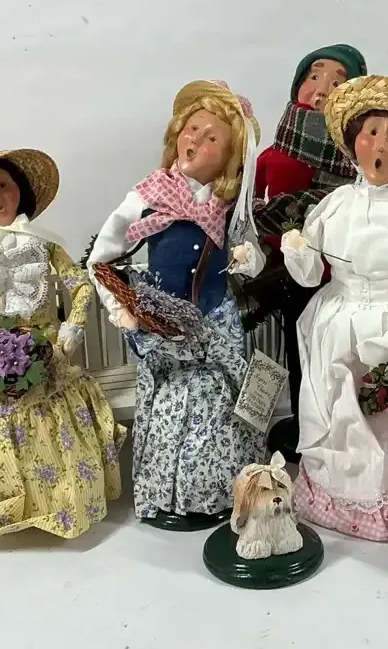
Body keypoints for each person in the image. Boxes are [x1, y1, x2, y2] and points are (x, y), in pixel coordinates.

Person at [86, 80, 268, 531]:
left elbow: (253, 256)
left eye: (212, 138)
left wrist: (247, 258)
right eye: (192, 129)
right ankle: (169, 498)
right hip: (164, 326)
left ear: (230, 156)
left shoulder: (230, 205)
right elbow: (101, 259)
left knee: (217, 411)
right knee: (169, 414)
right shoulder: (147, 195)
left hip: (215, 323)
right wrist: (121, 307)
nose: (196, 141)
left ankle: (216, 496)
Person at [279, 74, 388, 541]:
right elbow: (308, 274)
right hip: (334, 321)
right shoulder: (334, 205)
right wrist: (297, 251)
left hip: (387, 330)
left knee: (377, 418)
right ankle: (329, 498)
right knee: (333, 415)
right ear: (354, 141)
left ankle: (379, 507)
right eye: (372, 132)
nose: (380, 145)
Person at [0, 149, 125, 538]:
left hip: (44, 344)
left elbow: (80, 285)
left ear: (20, 190)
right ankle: (17, 502)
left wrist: (73, 327)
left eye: (4, 185)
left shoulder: (42, 242)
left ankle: (63, 500)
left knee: (54, 408)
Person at [246, 44, 368, 464]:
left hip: (336, 273)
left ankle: (336, 424)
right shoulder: (277, 148)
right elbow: (252, 199)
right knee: (297, 349)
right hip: (284, 270)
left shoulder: (356, 155)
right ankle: (303, 422)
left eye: (337, 81)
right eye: (314, 76)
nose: (322, 88)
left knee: (335, 354)